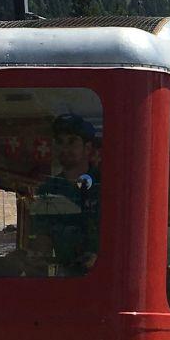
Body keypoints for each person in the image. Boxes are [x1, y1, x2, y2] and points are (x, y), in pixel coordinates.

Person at [30, 113, 101, 273]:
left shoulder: (106, 186)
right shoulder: (48, 190)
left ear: (87, 148)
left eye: (72, 142)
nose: (65, 149)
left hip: (105, 276)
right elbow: (43, 235)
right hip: (65, 278)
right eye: (60, 142)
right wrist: (36, 255)